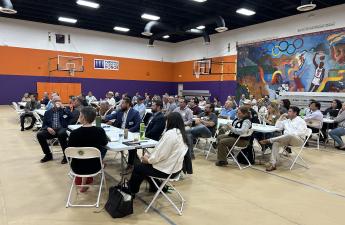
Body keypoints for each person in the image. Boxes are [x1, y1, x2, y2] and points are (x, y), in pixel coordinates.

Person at [127, 112, 188, 195]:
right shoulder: (181, 134)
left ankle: (131, 191)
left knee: (139, 167)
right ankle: (155, 187)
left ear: (170, 121)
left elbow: (161, 155)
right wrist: (150, 158)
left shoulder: (170, 134)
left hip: (167, 171)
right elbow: (164, 154)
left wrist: (148, 160)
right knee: (144, 166)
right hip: (175, 169)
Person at [68, 106, 109, 192]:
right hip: (94, 167)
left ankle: (83, 184)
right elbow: (105, 143)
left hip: (76, 167)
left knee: (82, 156)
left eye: (80, 115)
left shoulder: (74, 133)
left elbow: (69, 150)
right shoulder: (100, 131)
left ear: (83, 117)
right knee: (97, 152)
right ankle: (101, 164)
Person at [260, 106, 308, 171]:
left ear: (295, 113)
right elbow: (277, 127)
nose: (288, 113)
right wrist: (281, 116)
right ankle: (273, 164)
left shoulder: (301, 121)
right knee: (276, 143)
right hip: (287, 139)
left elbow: (301, 133)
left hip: (298, 140)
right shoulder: (286, 121)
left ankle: (269, 140)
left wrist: (289, 135)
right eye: (288, 111)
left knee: (290, 135)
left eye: (290, 111)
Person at [105, 97, 141, 173]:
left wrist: (128, 131)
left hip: (131, 133)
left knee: (132, 147)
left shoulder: (135, 113)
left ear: (128, 104)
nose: (121, 105)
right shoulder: (120, 111)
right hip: (120, 132)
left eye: (122, 103)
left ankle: (130, 165)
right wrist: (103, 117)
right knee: (106, 138)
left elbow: (138, 125)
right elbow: (111, 116)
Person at [36, 97, 73, 164]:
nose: (57, 102)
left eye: (59, 100)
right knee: (39, 134)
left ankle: (66, 155)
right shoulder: (48, 112)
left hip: (62, 129)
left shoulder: (64, 110)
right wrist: (48, 128)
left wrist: (63, 108)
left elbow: (71, 116)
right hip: (51, 130)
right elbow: (44, 125)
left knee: (61, 133)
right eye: (56, 101)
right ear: (52, 103)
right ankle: (48, 155)